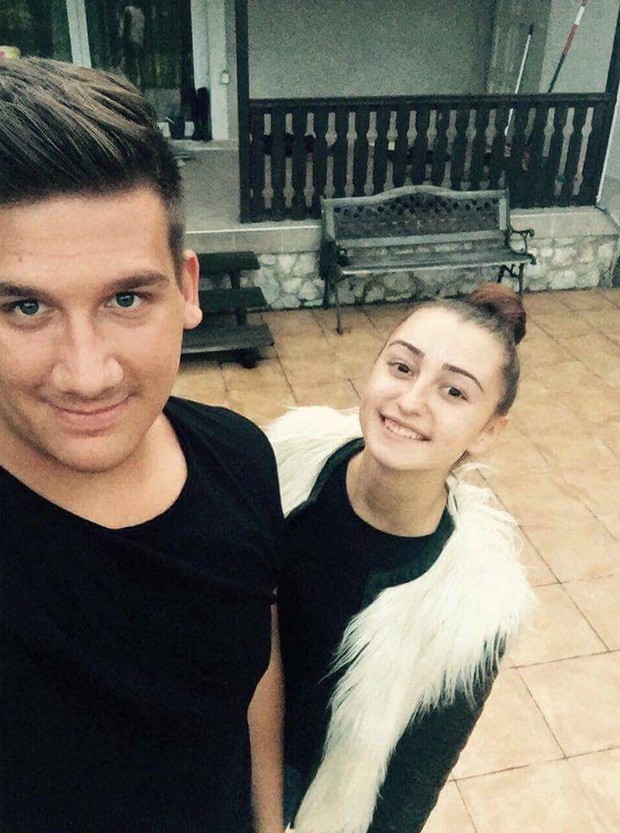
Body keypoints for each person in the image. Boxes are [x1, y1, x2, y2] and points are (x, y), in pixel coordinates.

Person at [0, 57, 284, 833]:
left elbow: (254, 671)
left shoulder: (240, 459)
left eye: (126, 297)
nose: (87, 373)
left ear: (187, 288)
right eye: (26, 307)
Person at [267, 284, 533, 833]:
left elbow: (410, 789)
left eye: (454, 391)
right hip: (213, 741)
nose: (410, 402)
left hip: (310, 792)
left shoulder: (474, 610)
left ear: (489, 431)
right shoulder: (279, 460)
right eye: (402, 367)